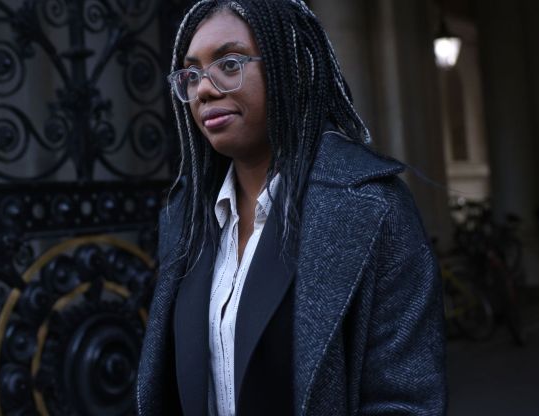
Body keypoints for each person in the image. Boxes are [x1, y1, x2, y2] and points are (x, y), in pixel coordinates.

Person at [137, 0, 446, 415]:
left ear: (292, 68)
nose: (204, 89)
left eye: (229, 64)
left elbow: (405, 400)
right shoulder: (184, 218)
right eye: (191, 74)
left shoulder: (372, 207)